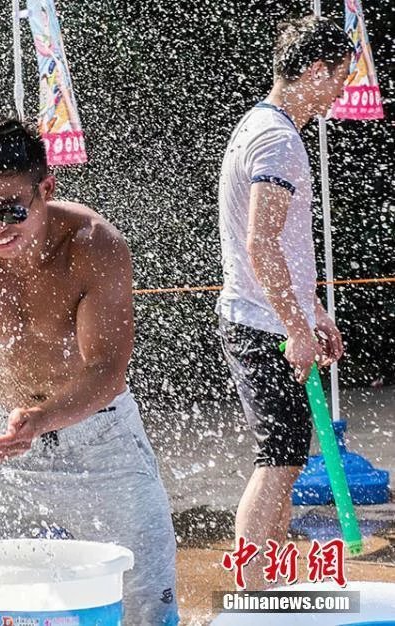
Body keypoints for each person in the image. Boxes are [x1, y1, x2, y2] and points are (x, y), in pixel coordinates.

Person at [0, 113, 179, 626]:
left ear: (46, 189)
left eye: (12, 210)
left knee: (148, 604)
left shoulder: (92, 244)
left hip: (100, 441)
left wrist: (41, 419)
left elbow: (107, 372)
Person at [216, 15, 350, 590]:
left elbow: (283, 246)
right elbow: (261, 242)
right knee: (277, 461)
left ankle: (267, 585)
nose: (341, 91)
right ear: (315, 70)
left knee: (286, 461)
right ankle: (253, 592)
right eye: (339, 77)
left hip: (264, 317)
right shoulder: (277, 138)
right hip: (261, 322)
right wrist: (296, 327)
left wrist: (311, 311)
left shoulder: (262, 125)